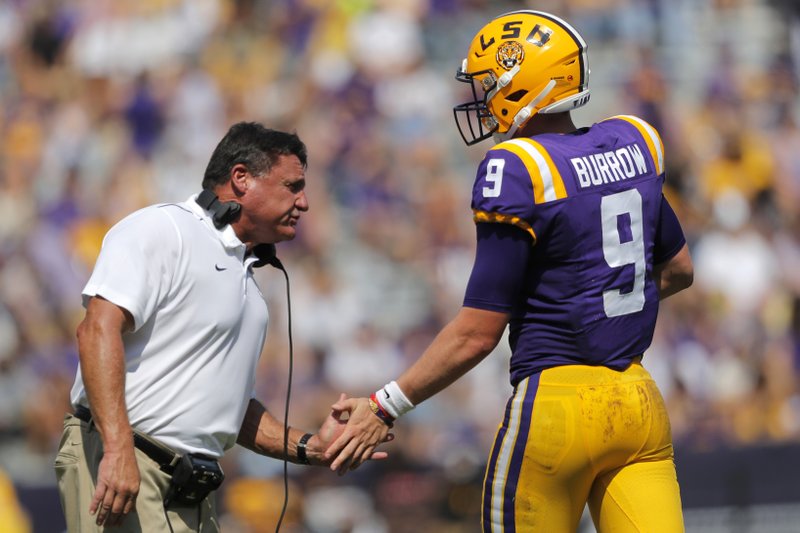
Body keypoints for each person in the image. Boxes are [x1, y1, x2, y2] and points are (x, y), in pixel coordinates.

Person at [326, 10, 693, 533]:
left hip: (556, 408)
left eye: (489, 83)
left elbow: (477, 332)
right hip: (638, 402)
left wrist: (383, 406)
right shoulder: (633, 140)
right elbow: (678, 270)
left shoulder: (517, 167)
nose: (481, 97)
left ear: (525, 85)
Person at [54, 122, 388, 532]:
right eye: (292, 186)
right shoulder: (164, 230)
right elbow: (95, 332)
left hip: (192, 488)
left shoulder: (248, 282)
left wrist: (311, 447)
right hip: (125, 466)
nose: (304, 203)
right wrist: (118, 449)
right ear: (241, 179)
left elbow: (232, 410)